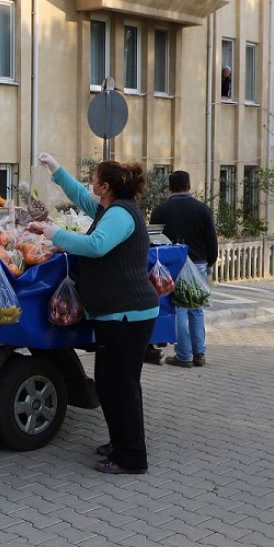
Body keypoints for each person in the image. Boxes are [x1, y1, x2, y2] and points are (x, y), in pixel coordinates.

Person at [32, 153, 160, 475]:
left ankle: (132, 457)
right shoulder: (109, 208)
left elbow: (96, 246)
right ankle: (120, 442)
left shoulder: (120, 215)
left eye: (95, 179)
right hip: (116, 313)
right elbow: (78, 195)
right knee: (108, 383)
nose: (90, 183)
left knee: (121, 386)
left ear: (105, 187)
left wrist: (54, 234)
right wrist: (55, 168)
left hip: (128, 314)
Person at [150, 170, 219, 368]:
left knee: (179, 309)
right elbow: (211, 239)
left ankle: (183, 355)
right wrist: (210, 261)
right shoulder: (202, 209)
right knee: (196, 308)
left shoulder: (161, 210)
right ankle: (199, 353)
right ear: (188, 185)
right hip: (198, 264)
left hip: (172, 265)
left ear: (170, 187)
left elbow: (153, 239)